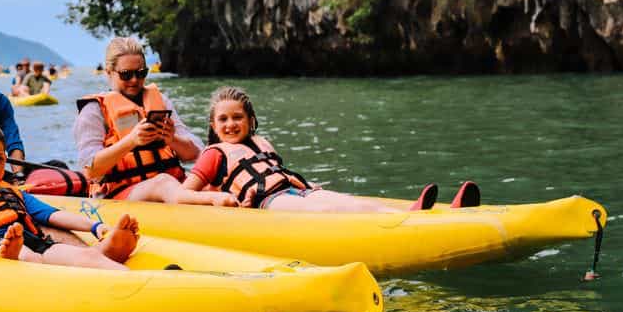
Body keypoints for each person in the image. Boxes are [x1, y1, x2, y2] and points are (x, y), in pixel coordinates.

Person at [182, 86, 465, 212]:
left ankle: (433, 213)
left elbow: (276, 173)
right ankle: (409, 221)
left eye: (238, 117)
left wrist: (309, 187)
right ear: (213, 125)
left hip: (297, 192)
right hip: (268, 204)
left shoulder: (260, 142)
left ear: (250, 120)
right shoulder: (214, 154)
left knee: (348, 201)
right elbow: (184, 193)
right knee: (332, 208)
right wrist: (216, 200)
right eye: (223, 119)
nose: (231, 124)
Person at [0, 122, 138, 269]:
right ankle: (9, 256)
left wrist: (94, 226)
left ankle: (136, 278)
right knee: (31, 258)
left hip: (33, 239)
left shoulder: (12, 191)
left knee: (87, 257)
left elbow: (51, 214)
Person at [74, 37, 236, 206]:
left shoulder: (161, 102)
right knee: (162, 182)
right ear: (109, 72)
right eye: (126, 74)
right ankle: (206, 200)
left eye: (141, 73)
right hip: (121, 195)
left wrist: (172, 139)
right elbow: (90, 170)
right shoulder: (94, 111)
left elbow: (196, 154)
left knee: (217, 177)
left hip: (174, 187)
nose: (134, 80)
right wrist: (131, 141)